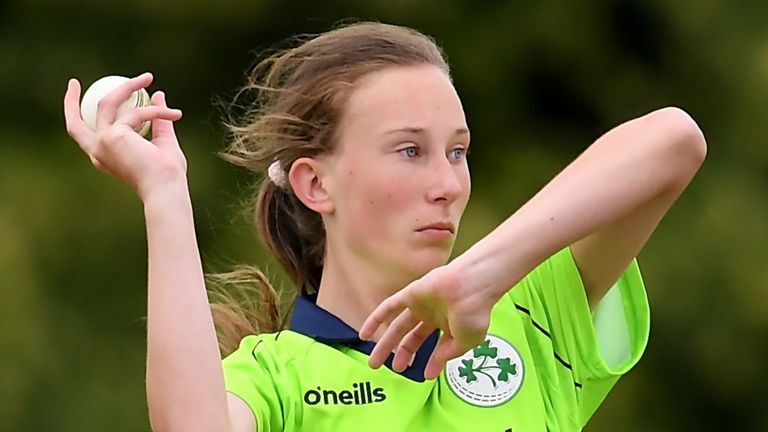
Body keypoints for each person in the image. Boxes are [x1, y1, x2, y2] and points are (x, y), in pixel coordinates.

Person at [63, 21, 706, 432]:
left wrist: (482, 277)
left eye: (458, 151)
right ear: (317, 185)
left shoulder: (529, 313)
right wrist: (165, 193)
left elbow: (673, 141)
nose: (448, 184)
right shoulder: (276, 379)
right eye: (409, 150)